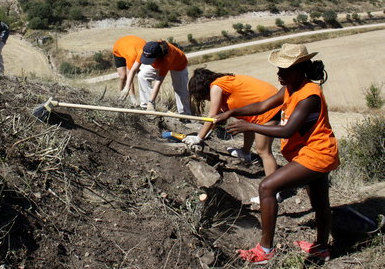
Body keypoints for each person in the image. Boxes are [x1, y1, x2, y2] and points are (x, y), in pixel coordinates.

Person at [214, 43, 339, 264]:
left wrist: (250, 127)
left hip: (317, 154)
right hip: (313, 153)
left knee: (267, 186)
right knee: (320, 204)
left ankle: (265, 250)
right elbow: (263, 105)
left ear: (300, 69)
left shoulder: (309, 96)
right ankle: (321, 247)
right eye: (279, 68)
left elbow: (286, 130)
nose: (279, 73)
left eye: (284, 69)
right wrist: (233, 112)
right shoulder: (291, 87)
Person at [184, 68, 281, 179]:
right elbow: (218, 117)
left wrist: (198, 138)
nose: (206, 99)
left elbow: (211, 116)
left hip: (270, 108)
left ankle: (273, 192)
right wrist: (208, 131)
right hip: (270, 102)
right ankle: (245, 153)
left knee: (263, 151)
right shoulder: (225, 81)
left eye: (204, 97)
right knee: (245, 122)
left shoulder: (216, 86)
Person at [138, 40, 191, 115]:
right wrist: (127, 88)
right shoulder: (147, 49)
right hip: (158, 62)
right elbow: (135, 67)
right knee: (142, 75)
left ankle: (185, 114)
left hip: (179, 64)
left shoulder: (167, 58)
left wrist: (152, 102)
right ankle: (146, 106)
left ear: (158, 55)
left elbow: (159, 81)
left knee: (180, 90)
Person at [112, 35, 146, 106]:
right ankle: (121, 97)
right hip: (119, 47)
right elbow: (129, 76)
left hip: (132, 45)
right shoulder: (132, 57)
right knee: (123, 77)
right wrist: (133, 97)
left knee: (143, 76)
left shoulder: (149, 52)